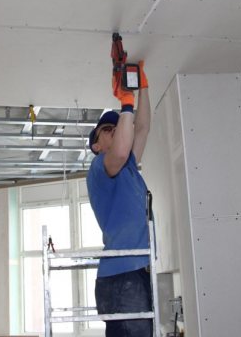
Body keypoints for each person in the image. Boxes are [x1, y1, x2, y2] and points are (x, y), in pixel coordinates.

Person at [86, 59, 152, 337]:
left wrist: (142, 87)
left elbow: (142, 128)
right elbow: (121, 151)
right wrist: (125, 104)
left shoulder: (128, 168)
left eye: (117, 127)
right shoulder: (100, 167)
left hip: (135, 271)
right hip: (123, 274)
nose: (114, 130)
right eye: (107, 129)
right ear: (96, 145)